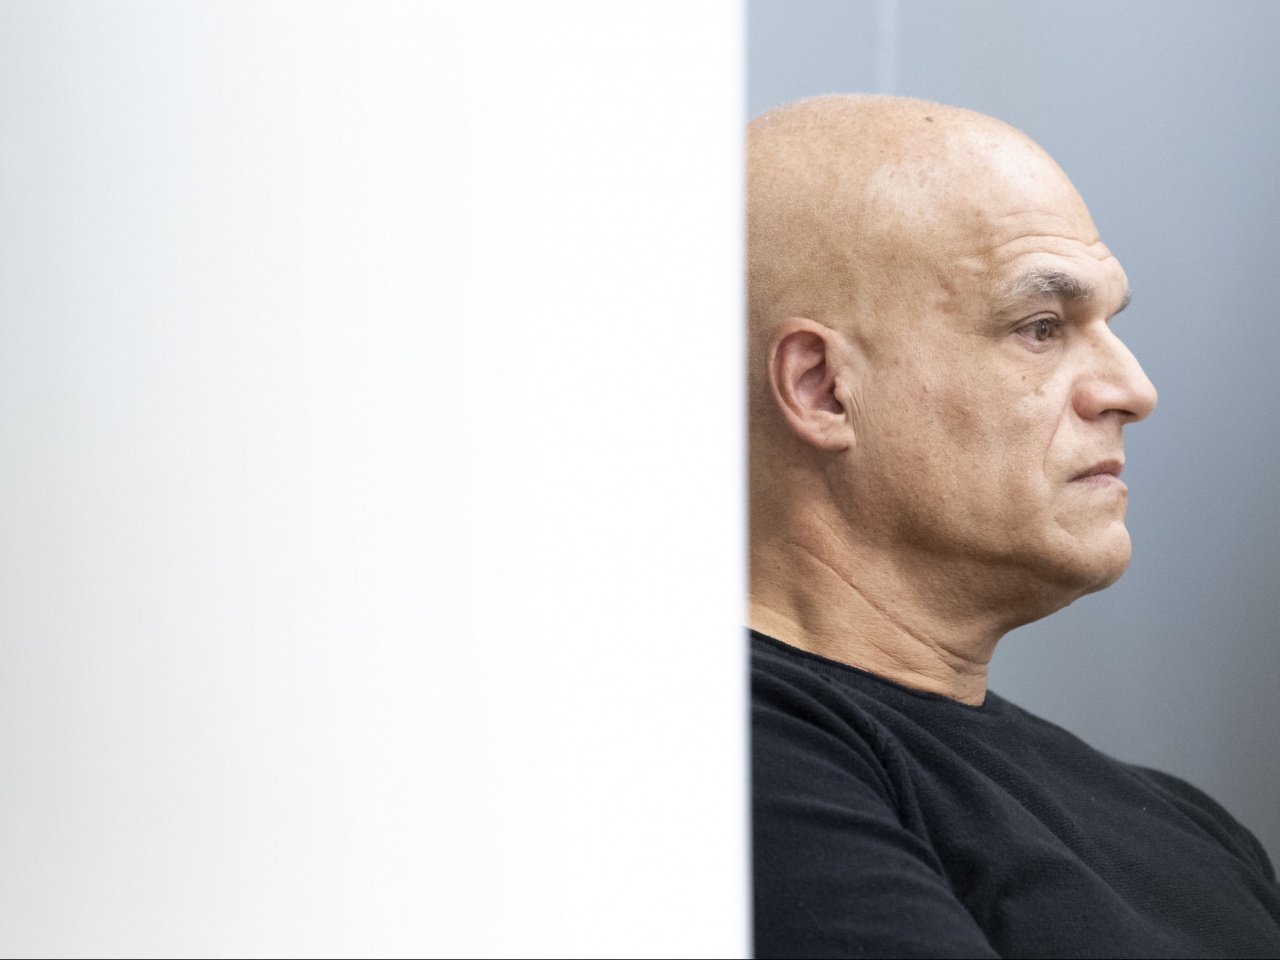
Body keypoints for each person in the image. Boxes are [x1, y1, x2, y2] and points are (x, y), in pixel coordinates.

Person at [748, 94, 1280, 958]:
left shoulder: (1186, 826)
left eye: (1108, 324)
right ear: (823, 388)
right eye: (1041, 328)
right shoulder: (727, 762)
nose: (1133, 391)